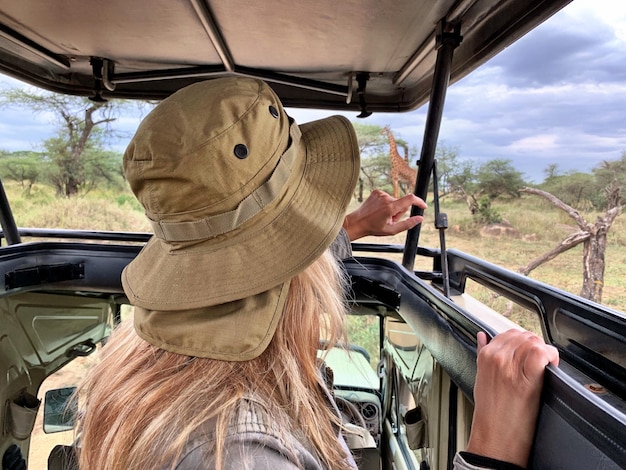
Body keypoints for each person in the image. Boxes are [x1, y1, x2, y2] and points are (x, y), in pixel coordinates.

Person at [74, 76, 559, 470]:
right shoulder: (241, 453)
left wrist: (350, 225)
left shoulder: (144, 356)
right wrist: (493, 450)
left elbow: (253, 250)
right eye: (309, 217)